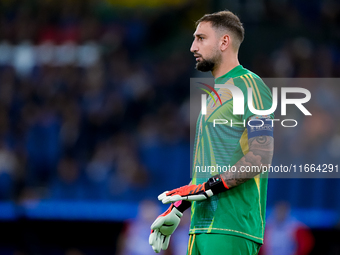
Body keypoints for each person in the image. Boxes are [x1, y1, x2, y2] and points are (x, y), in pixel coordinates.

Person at [149, 10, 274, 255]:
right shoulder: (213, 97)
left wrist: (207, 187)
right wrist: (177, 208)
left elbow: (261, 155)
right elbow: (208, 174)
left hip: (231, 228)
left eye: (201, 38)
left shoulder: (250, 85)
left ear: (224, 42)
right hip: (199, 228)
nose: (192, 47)